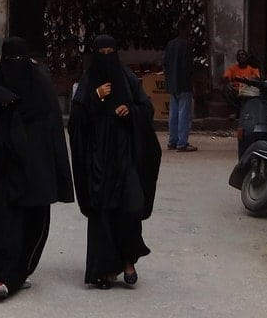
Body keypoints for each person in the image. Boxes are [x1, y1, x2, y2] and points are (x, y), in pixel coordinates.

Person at [0, 37, 74, 299]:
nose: (14, 66)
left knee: (33, 223)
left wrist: (55, 174)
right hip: (7, 167)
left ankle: (19, 273)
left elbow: (53, 132)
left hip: (36, 169)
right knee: (2, 224)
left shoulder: (40, 86)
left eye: (18, 61)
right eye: (10, 61)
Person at [68, 34, 161, 290]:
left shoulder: (128, 78)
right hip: (99, 160)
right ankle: (105, 271)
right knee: (103, 214)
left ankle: (129, 262)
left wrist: (131, 111)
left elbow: (147, 108)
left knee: (131, 207)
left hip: (125, 156)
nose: (106, 57)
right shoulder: (89, 81)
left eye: (111, 51)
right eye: (102, 52)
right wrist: (95, 97)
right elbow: (76, 120)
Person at [163, 16, 196, 152]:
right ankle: (182, 143)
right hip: (183, 83)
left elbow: (165, 63)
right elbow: (187, 66)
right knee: (184, 114)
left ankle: (172, 141)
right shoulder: (187, 45)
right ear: (186, 28)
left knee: (173, 113)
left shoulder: (170, 44)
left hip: (172, 83)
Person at [221, 49, 261, 115]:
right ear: (237, 58)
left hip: (249, 90)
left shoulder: (253, 68)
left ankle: (240, 111)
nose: (241, 56)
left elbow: (257, 79)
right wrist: (228, 82)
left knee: (256, 91)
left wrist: (248, 80)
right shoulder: (232, 68)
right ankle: (236, 110)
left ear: (246, 57)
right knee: (226, 89)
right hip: (236, 91)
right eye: (239, 55)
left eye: (243, 54)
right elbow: (226, 77)